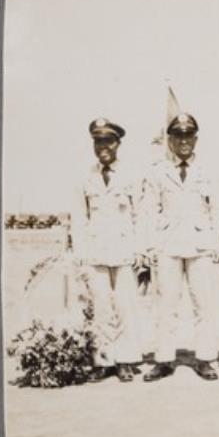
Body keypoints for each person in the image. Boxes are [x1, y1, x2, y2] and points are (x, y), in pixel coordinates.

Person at [141, 113, 219, 381]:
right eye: (178, 136)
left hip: (201, 245)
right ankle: (164, 360)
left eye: (188, 136)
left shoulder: (208, 172)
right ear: (170, 141)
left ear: (195, 139)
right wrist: (151, 246)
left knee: (204, 304)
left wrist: (217, 242)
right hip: (168, 244)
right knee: (166, 305)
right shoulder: (158, 172)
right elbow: (149, 210)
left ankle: (205, 359)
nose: (184, 141)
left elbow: (217, 210)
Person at [70, 119, 143, 383]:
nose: (103, 147)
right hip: (95, 251)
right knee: (101, 307)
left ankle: (125, 360)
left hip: (125, 250)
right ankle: (103, 361)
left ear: (118, 144)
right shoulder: (84, 177)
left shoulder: (131, 175)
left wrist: (140, 250)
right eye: (98, 141)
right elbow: (79, 218)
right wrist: (80, 254)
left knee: (125, 306)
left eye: (108, 141)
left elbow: (140, 215)